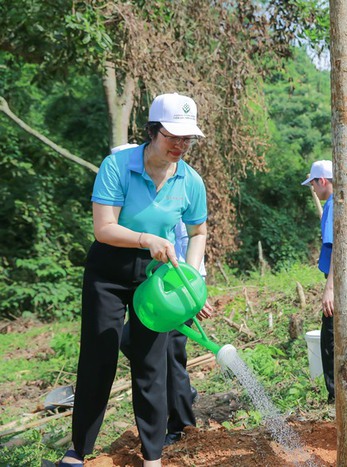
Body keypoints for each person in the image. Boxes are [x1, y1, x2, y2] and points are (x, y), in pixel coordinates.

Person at [58, 93, 213, 467]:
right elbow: (104, 229)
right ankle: (79, 451)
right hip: (108, 271)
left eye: (187, 137)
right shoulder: (117, 166)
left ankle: (153, 456)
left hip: (155, 276)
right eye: (172, 135)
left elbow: (198, 233)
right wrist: (146, 239)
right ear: (152, 131)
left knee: (151, 362)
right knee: (100, 356)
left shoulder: (191, 181)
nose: (180, 145)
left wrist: (189, 280)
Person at [120, 218, 207, 447]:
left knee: (171, 355)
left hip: (179, 290)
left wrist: (195, 290)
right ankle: (184, 394)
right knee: (128, 339)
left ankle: (181, 427)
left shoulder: (178, 199)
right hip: (158, 289)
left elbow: (191, 239)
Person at [300, 160, 335, 403]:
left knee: (330, 338)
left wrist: (329, 289)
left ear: (322, 181)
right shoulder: (335, 204)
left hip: (338, 282)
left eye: (313, 183)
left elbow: (336, 251)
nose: (313, 188)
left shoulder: (334, 207)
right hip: (340, 279)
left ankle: (336, 394)